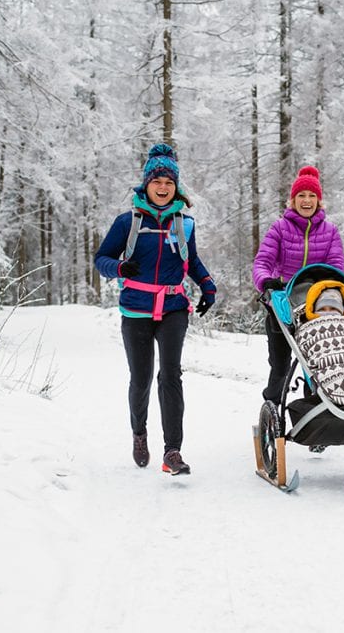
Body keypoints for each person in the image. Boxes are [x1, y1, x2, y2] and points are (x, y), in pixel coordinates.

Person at [94, 143, 216, 475]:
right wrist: (119, 268)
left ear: (176, 186)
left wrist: (207, 285)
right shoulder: (127, 222)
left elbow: (192, 261)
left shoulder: (185, 224)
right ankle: (139, 433)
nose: (163, 188)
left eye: (169, 182)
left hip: (174, 307)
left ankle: (172, 452)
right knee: (141, 378)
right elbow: (100, 260)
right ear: (146, 184)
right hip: (135, 309)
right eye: (157, 182)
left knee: (171, 376)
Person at [252, 165, 344, 404]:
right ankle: (272, 409)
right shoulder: (280, 228)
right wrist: (265, 281)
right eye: (301, 196)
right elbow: (262, 262)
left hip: (317, 305)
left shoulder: (330, 232)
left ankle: (316, 413)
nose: (307, 200)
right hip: (282, 303)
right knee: (280, 366)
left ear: (319, 200)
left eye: (312, 196)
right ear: (293, 200)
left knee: (316, 364)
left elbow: (337, 268)